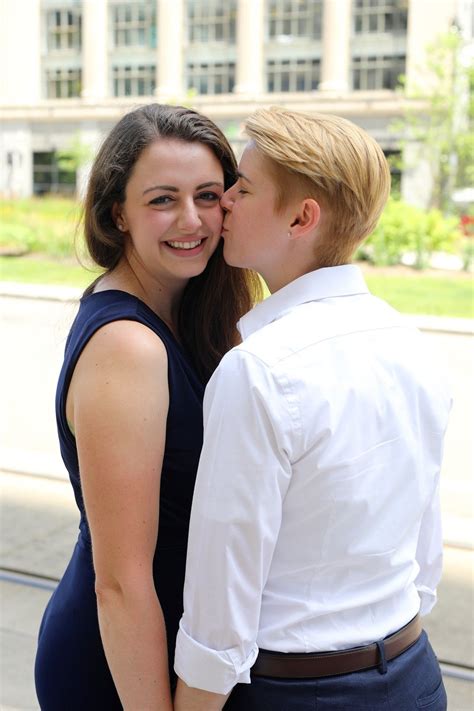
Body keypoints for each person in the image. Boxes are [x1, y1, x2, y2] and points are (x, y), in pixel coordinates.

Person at [174, 107, 451, 710]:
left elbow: (220, 609)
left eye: (242, 189)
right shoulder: (414, 344)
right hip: (414, 675)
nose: (224, 202)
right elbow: (423, 553)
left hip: (298, 692)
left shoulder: (259, 370)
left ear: (302, 217)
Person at [34, 103, 261, 710]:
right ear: (119, 214)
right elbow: (121, 584)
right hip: (123, 668)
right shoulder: (128, 346)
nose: (191, 220)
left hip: (179, 651)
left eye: (208, 195)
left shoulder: (195, 313)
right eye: (163, 199)